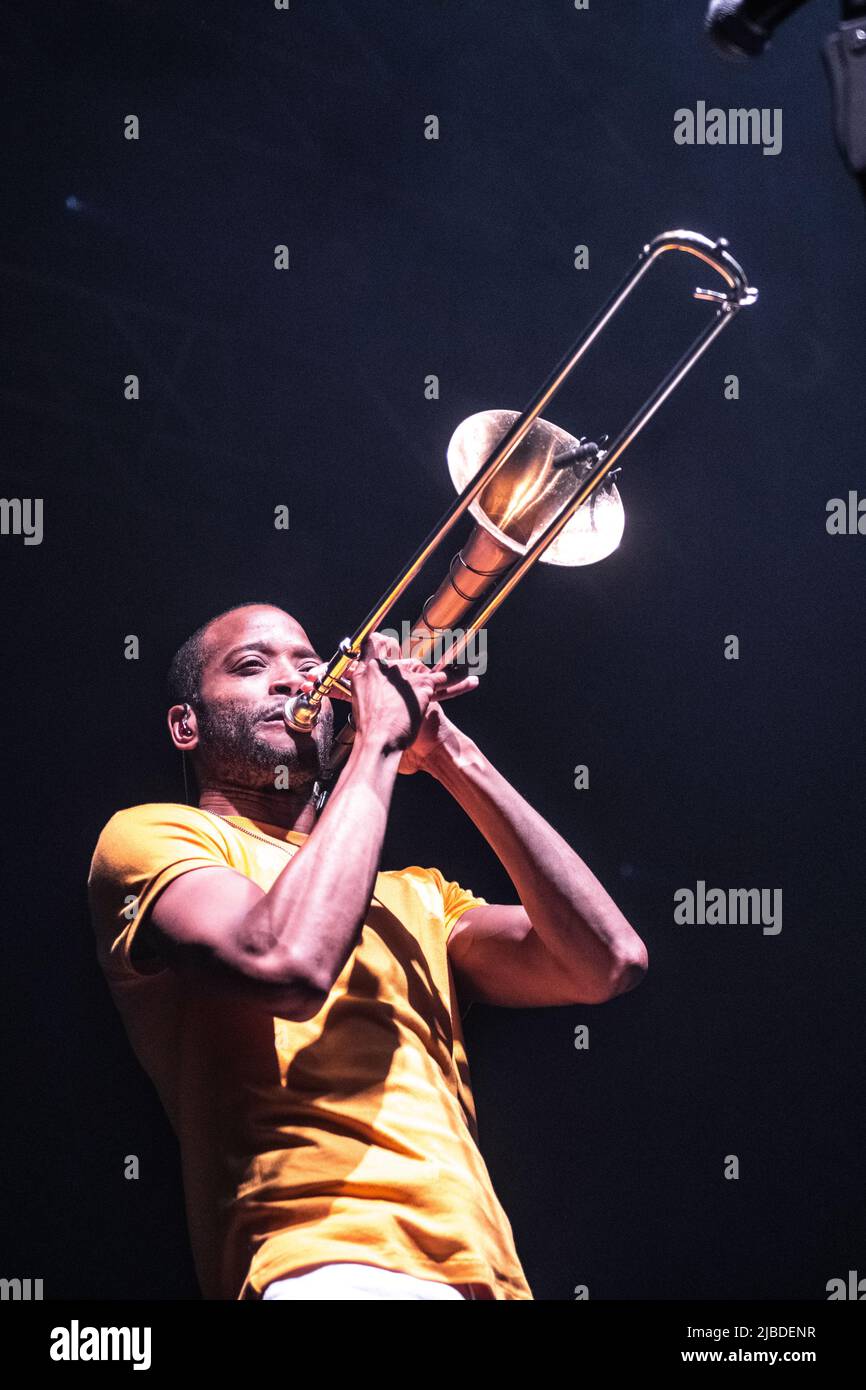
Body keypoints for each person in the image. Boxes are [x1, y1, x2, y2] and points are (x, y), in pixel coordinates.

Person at [87, 602, 648, 1301]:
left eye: (306, 663)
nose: (293, 681)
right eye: (252, 666)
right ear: (186, 723)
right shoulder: (156, 836)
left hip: (490, 1278)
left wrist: (451, 756)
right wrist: (379, 742)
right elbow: (288, 964)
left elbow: (608, 961)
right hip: (321, 1262)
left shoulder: (420, 896)